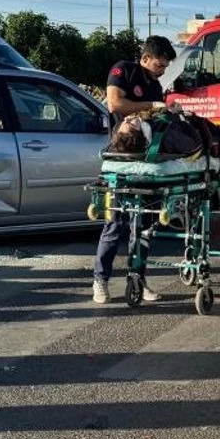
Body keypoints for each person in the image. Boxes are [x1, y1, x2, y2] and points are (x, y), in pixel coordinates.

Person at [92, 35, 177, 304]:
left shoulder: (155, 86)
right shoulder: (123, 71)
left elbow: (153, 117)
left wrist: (166, 112)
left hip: (146, 162)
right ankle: (100, 280)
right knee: (114, 225)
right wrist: (150, 106)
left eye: (164, 68)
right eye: (158, 66)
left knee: (142, 226)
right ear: (145, 58)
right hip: (122, 160)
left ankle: (138, 280)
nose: (161, 71)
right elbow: (115, 103)